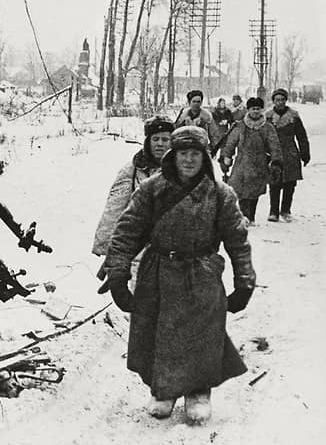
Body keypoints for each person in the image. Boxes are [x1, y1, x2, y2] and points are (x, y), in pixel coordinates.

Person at [103, 126, 255, 425]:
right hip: (157, 271)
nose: (188, 160)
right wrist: (118, 273)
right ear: (172, 156)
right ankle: (163, 390)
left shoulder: (221, 194)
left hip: (201, 272)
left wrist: (244, 281)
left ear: (204, 157)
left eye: (195, 154)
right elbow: (126, 231)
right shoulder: (151, 189)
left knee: (202, 334)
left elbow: (238, 240)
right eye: (183, 153)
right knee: (157, 332)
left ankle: (199, 392)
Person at [92, 115, 174, 259]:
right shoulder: (132, 170)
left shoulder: (182, 170)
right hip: (139, 249)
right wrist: (105, 244)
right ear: (148, 142)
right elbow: (114, 208)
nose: (160, 144)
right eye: (155, 139)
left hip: (173, 250)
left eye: (165, 139)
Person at [220, 97, 282, 224]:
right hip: (242, 163)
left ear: (262, 110)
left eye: (258, 109)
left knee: (255, 191)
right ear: (248, 110)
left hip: (259, 164)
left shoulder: (267, 127)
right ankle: (244, 215)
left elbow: (274, 145)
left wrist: (276, 161)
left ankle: (251, 216)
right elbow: (230, 143)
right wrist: (226, 157)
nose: (255, 111)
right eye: (253, 109)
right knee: (240, 190)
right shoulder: (240, 126)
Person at [265, 88, 311, 222]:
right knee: (274, 182)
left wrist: (305, 153)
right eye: (277, 100)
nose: (280, 102)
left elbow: (301, 136)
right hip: (274, 153)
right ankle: (273, 211)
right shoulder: (267, 116)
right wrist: (264, 154)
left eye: (282, 100)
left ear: (286, 100)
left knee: (290, 183)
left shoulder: (294, 116)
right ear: (273, 101)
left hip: (291, 153)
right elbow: (263, 137)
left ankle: (286, 210)